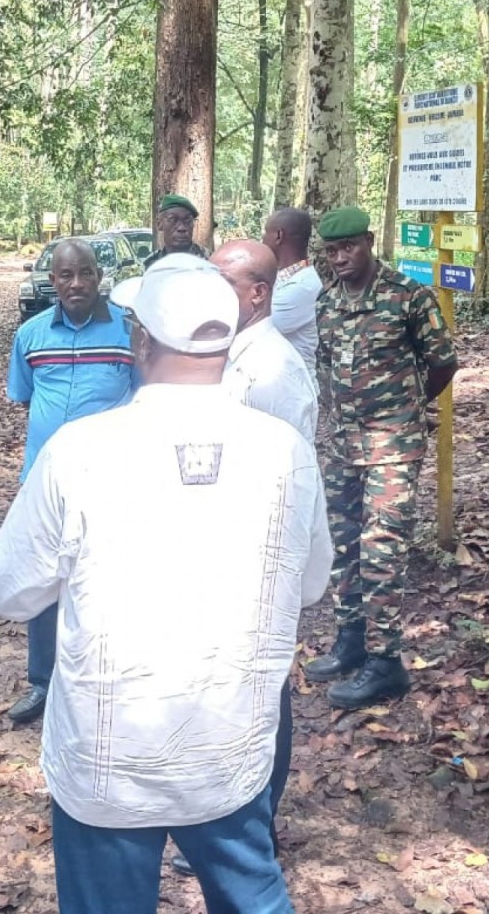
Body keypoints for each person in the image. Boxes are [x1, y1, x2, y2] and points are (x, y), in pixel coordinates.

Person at [0, 257, 331, 914]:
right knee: (254, 897)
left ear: (140, 340)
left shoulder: (80, 450)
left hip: (109, 757)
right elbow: (311, 583)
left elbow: (11, 589)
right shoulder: (286, 450)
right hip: (228, 748)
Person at [155, 243, 317, 879]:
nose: (209, 289)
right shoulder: (232, 357)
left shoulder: (270, 370)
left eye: (222, 280)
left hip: (252, 565)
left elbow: (281, 480)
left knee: (260, 699)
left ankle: (255, 831)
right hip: (215, 559)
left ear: (256, 294)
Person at [305, 207, 458, 709]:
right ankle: (351, 640)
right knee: (343, 545)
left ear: (369, 242)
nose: (340, 258)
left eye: (349, 247)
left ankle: (385, 661)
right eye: (331, 251)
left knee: (382, 549)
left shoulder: (407, 297)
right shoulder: (327, 303)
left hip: (392, 446)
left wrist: (410, 408)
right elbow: (325, 368)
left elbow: (442, 362)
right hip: (342, 446)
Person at [3, 238, 137, 724]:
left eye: (84, 273)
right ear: (52, 281)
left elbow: (144, 402)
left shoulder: (129, 334)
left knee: (106, 581)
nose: (75, 284)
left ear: (100, 275)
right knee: (44, 582)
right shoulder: (32, 335)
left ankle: (109, 684)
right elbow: (22, 395)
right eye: (65, 276)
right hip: (44, 483)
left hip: (110, 482)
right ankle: (43, 683)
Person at [213, 241, 318, 447]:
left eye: (221, 283)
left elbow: (288, 462)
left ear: (259, 293)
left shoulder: (274, 372)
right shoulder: (233, 352)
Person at [262, 208, 321, 375]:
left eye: (265, 232)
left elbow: (255, 327)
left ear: (279, 236)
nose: (262, 239)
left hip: (293, 388)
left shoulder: (302, 286)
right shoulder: (285, 278)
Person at [142, 193, 209, 269]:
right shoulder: (150, 263)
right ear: (159, 224)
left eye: (188, 221)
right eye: (173, 220)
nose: (181, 228)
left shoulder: (209, 260)